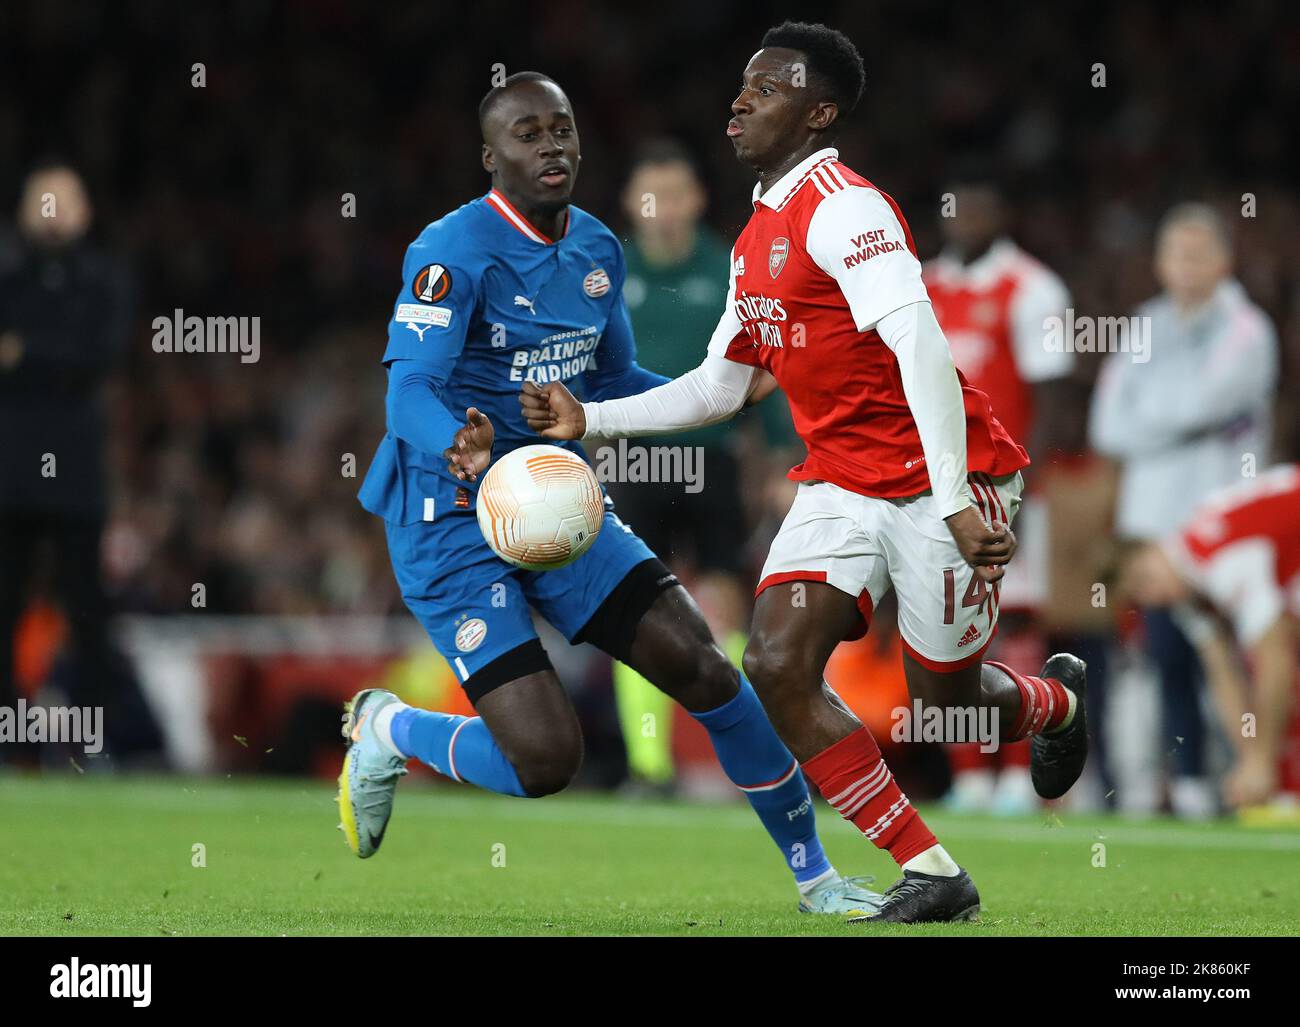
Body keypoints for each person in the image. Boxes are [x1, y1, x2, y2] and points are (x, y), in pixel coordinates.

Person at [518, 22, 1089, 923]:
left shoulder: (845, 207)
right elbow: (720, 385)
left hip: (946, 478)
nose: (741, 100)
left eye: (769, 87)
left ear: (819, 113)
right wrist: (592, 417)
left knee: (945, 697)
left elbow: (923, 349)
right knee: (777, 661)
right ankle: (933, 868)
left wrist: (952, 501)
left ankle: (1053, 703)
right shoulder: (756, 235)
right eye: (742, 84)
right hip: (839, 482)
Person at [339, 71, 881, 917]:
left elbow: (617, 379)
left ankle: (818, 878)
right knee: (548, 761)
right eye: (527, 134)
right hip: (446, 516)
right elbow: (407, 388)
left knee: (707, 669)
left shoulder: (596, 248)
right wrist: (459, 441)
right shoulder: (451, 251)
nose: (551, 145)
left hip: (555, 500)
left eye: (561, 129)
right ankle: (390, 729)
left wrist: (736, 387)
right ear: (491, 157)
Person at [1089, 203, 1278, 818]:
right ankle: (1192, 782)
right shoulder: (1144, 323)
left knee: (1237, 649)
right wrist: (1174, 418)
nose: (1187, 264)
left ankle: (1252, 776)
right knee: (1167, 653)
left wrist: (1153, 410)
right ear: (1160, 262)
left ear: (1224, 260)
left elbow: (1205, 402)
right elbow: (1107, 427)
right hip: (1152, 527)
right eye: (1176, 252)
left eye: (1199, 253)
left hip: (1222, 523)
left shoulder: (1248, 330)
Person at [0, 162, 164, 767]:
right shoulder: (9, 271)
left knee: (87, 608)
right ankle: (9, 746)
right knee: (6, 604)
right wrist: (55, 359)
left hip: (74, 471)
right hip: (10, 468)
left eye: (63, 199)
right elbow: (75, 357)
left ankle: (98, 744)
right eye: (41, 198)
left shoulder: (102, 279)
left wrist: (22, 352)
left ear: (85, 210)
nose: (51, 210)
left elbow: (98, 356)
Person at [923, 167, 1075, 814]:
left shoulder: (1034, 287)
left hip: (1005, 485)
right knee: (946, 627)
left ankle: (1019, 770)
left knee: (1013, 620)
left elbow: (1057, 395)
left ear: (1001, 214)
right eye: (957, 208)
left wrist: (1028, 481)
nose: (967, 220)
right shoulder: (921, 284)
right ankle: (972, 776)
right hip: (933, 485)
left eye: (980, 209)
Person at [607, 139, 749, 794]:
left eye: (675, 195)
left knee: (723, 605)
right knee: (637, 610)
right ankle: (649, 767)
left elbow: (763, 360)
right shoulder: (603, 275)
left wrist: (778, 446)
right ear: (630, 206)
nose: (662, 211)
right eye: (649, 197)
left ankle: (752, 758)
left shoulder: (729, 268)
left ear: (698, 201)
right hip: (631, 459)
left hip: (713, 458)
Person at [1123, 464, 1299, 810]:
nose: (1153, 596)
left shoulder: (1220, 562)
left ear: (1156, 547)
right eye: (1141, 595)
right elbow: (1223, 674)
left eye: (1145, 578)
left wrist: (1262, 761)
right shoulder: (1189, 577)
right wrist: (1250, 761)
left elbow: (1275, 657)